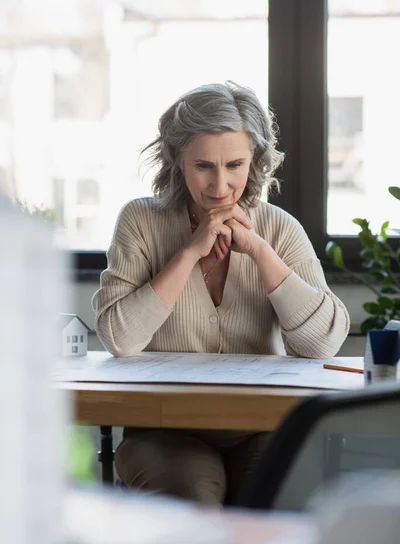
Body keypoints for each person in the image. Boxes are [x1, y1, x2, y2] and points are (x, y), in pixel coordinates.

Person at [92, 81, 350, 506]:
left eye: (235, 164)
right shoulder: (140, 220)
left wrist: (261, 253)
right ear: (177, 160)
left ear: (256, 162)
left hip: (262, 426)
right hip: (164, 429)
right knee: (193, 503)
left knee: (268, 502)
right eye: (203, 166)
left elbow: (323, 341)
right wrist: (190, 252)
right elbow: (120, 338)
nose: (220, 185)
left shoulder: (279, 228)